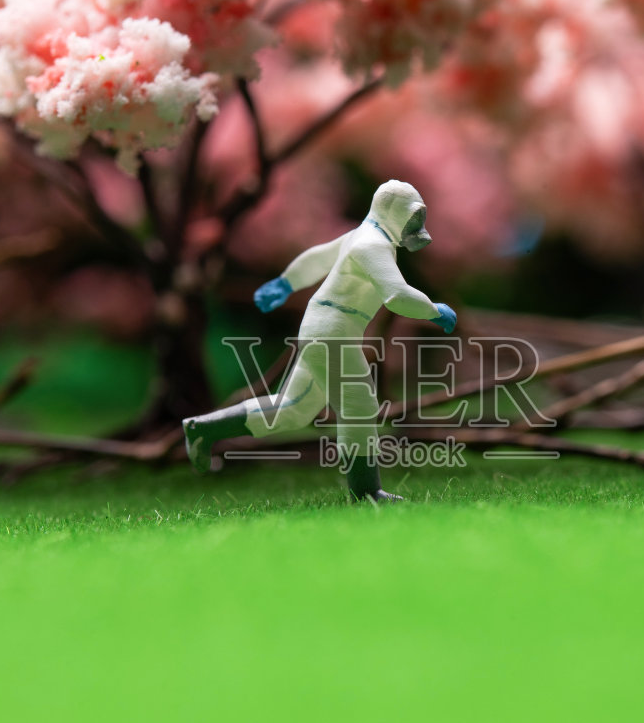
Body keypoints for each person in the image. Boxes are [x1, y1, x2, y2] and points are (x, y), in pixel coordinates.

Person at [183, 179, 457, 502]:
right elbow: (396, 295)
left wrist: (286, 283)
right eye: (412, 217)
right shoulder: (372, 244)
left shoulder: (363, 236)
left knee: (292, 408)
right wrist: (434, 310)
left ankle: (203, 428)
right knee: (358, 405)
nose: (416, 225)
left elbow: (318, 259)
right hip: (332, 332)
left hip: (322, 328)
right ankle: (366, 492)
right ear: (393, 212)